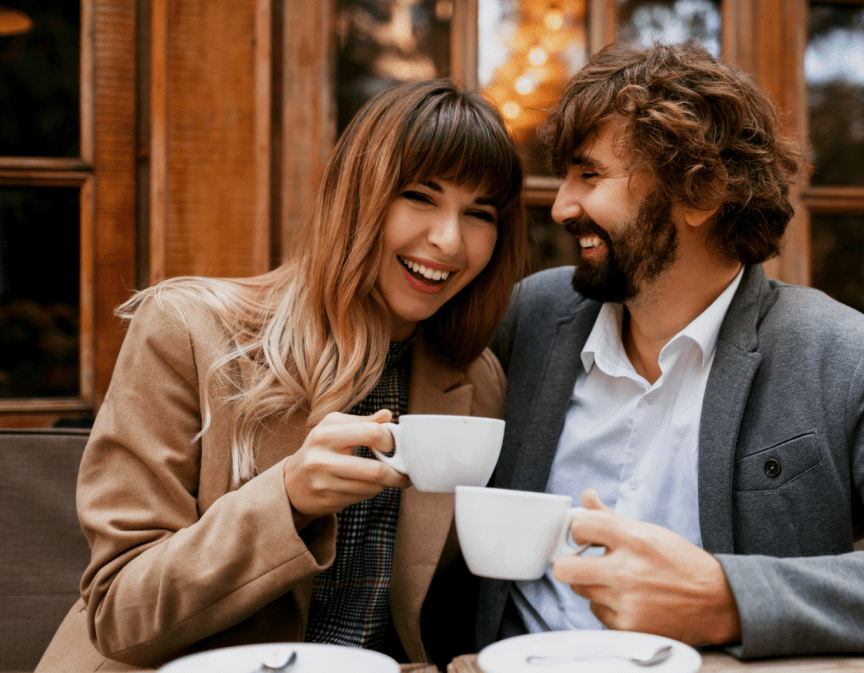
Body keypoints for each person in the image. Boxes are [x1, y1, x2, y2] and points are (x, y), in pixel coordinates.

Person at [479, 42, 864, 659]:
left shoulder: (839, 358)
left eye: (590, 175)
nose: (560, 206)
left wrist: (730, 599)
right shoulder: (531, 317)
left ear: (701, 191)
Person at [37, 80, 527, 671]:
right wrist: (287, 499)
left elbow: (420, 613)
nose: (449, 241)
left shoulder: (474, 381)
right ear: (357, 196)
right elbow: (119, 614)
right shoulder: (188, 332)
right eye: (420, 197)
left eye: (479, 214)